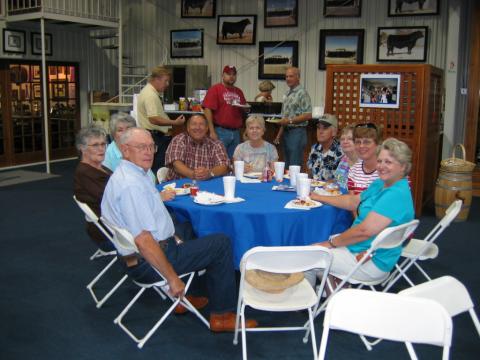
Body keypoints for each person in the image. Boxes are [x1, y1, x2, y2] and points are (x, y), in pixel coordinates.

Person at [101, 127, 257, 332]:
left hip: (139, 254)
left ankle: (190, 296)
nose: (149, 152)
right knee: (221, 243)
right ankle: (222, 315)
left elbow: (151, 221)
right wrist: (172, 280)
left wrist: (173, 235)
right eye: (141, 147)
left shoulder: (130, 173)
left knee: (188, 227)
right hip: (146, 262)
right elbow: (144, 240)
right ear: (125, 150)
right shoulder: (131, 186)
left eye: (151, 147)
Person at [307, 138, 414, 284]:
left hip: (370, 260)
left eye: (388, 162)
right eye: (380, 161)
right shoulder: (382, 183)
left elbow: (364, 231)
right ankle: (336, 293)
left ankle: (307, 303)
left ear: (403, 167)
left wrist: (331, 243)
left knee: (309, 256)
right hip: (362, 248)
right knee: (315, 243)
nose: (381, 166)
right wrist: (319, 197)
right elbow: (353, 202)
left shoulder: (395, 195)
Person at [137, 65, 186, 174]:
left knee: (156, 168)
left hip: (155, 136)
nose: (167, 84)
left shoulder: (149, 92)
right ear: (157, 79)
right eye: (166, 81)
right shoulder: (150, 95)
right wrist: (174, 122)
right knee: (157, 169)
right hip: (156, 137)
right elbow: (153, 119)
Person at [73, 125, 114, 251]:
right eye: (95, 145)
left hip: (115, 222)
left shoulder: (100, 167)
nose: (101, 149)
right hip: (109, 232)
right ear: (82, 148)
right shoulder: (85, 173)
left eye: (103, 144)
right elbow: (112, 200)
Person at [165, 114, 229, 181]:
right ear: (188, 128)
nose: (198, 127)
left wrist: (209, 173)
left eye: (201, 124)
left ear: (207, 128)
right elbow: (176, 164)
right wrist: (193, 174)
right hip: (176, 186)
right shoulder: (179, 140)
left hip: (206, 187)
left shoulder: (216, 144)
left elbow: (224, 166)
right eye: (194, 124)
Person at [202, 65, 248, 158]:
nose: (231, 77)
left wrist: (245, 109)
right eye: (228, 74)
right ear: (222, 75)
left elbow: (244, 109)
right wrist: (211, 131)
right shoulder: (215, 89)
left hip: (236, 132)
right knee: (219, 160)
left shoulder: (239, 91)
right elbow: (207, 109)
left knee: (234, 160)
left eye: (234, 74)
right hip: (220, 131)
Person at [274, 67, 312, 168]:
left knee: (294, 165)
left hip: (297, 132)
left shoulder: (302, 93)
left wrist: (290, 121)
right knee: (286, 165)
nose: (288, 79)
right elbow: (285, 118)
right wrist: (278, 135)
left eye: (291, 76)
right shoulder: (287, 94)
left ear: (298, 77)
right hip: (286, 132)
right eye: (286, 76)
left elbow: (308, 114)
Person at [306, 114, 343, 181]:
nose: (320, 131)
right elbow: (309, 173)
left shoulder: (341, 152)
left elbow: (341, 180)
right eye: (318, 128)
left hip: (331, 190)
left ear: (334, 132)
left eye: (325, 128)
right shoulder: (315, 148)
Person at [347, 123, 381, 195]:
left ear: (377, 144)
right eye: (358, 142)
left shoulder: (388, 171)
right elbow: (352, 203)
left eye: (367, 142)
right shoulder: (353, 170)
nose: (361, 146)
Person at [334, 125, 358, 191]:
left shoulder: (364, 163)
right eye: (342, 139)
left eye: (350, 139)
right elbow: (337, 181)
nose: (345, 141)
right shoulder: (343, 160)